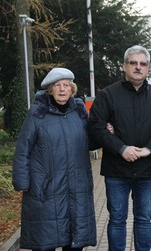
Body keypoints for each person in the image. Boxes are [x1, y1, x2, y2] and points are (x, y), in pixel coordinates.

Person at [88, 45, 151, 251]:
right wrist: (121, 148)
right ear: (124, 66)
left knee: (144, 220)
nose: (138, 67)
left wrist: (149, 150)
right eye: (133, 63)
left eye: (142, 64)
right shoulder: (107, 95)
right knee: (117, 219)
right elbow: (96, 126)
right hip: (116, 170)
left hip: (146, 170)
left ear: (147, 68)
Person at [12, 68, 97, 251]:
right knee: (45, 242)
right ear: (50, 89)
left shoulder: (80, 114)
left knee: (74, 242)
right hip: (46, 188)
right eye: (57, 85)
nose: (62, 89)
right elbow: (22, 150)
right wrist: (21, 180)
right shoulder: (37, 114)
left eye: (66, 85)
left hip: (77, 187)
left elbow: (90, 142)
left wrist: (106, 132)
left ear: (72, 89)